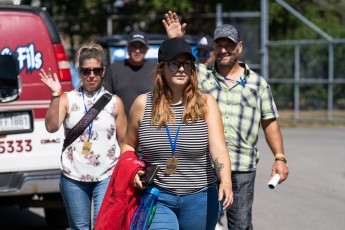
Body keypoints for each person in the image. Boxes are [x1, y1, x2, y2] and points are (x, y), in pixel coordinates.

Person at [163, 11, 289, 230]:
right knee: (203, 224)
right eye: (219, 45)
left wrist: (280, 158)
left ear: (239, 47)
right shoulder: (200, 76)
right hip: (205, 167)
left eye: (229, 45)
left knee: (240, 225)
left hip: (241, 167)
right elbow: (177, 67)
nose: (223, 50)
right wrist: (177, 40)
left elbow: (269, 123)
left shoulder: (258, 84)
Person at [122, 37, 234, 230]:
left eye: (187, 64)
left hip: (200, 198)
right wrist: (131, 172)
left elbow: (218, 148)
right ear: (161, 68)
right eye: (175, 63)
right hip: (157, 196)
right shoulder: (142, 104)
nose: (181, 69)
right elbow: (128, 145)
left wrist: (226, 181)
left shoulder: (206, 103)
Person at [39, 41, 127, 230]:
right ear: (79, 72)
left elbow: (124, 142)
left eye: (96, 70)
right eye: (86, 71)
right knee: (79, 227)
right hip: (73, 176)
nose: (91, 75)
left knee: (104, 226)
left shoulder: (115, 102)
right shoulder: (67, 99)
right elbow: (51, 127)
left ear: (103, 71)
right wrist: (55, 95)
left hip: (106, 174)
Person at [104, 30, 156, 116]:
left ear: (146, 49)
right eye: (134, 46)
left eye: (141, 46)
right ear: (127, 48)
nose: (137, 51)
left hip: (149, 126)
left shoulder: (155, 70)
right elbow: (106, 99)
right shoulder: (114, 69)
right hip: (121, 126)